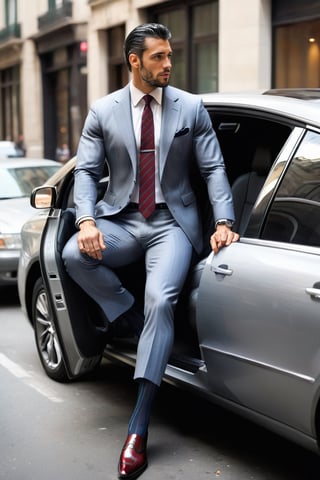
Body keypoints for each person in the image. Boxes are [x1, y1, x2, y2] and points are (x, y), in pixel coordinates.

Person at [62, 23, 239, 479]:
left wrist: (223, 221)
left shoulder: (190, 107)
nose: (168, 64)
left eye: (169, 55)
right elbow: (85, 173)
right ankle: (131, 321)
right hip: (121, 219)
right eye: (158, 56)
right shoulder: (103, 112)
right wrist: (85, 221)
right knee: (71, 255)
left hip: (171, 225)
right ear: (134, 61)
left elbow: (215, 167)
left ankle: (138, 429)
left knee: (162, 300)